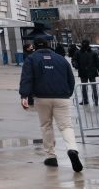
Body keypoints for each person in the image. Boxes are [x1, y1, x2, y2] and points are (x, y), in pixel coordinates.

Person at [19, 37, 83, 171]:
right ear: (48, 46)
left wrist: (24, 95)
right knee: (66, 126)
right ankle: (72, 149)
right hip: (62, 97)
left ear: (35, 47)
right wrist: (68, 93)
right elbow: (70, 79)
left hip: (42, 98)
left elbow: (27, 78)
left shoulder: (31, 59)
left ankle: (51, 156)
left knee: (46, 125)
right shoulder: (61, 59)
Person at [74, 40, 99, 105]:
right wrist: (75, 64)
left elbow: (98, 63)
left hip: (92, 72)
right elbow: (74, 60)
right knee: (84, 87)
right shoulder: (78, 53)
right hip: (83, 72)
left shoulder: (93, 53)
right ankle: (85, 100)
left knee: (94, 88)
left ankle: (95, 100)